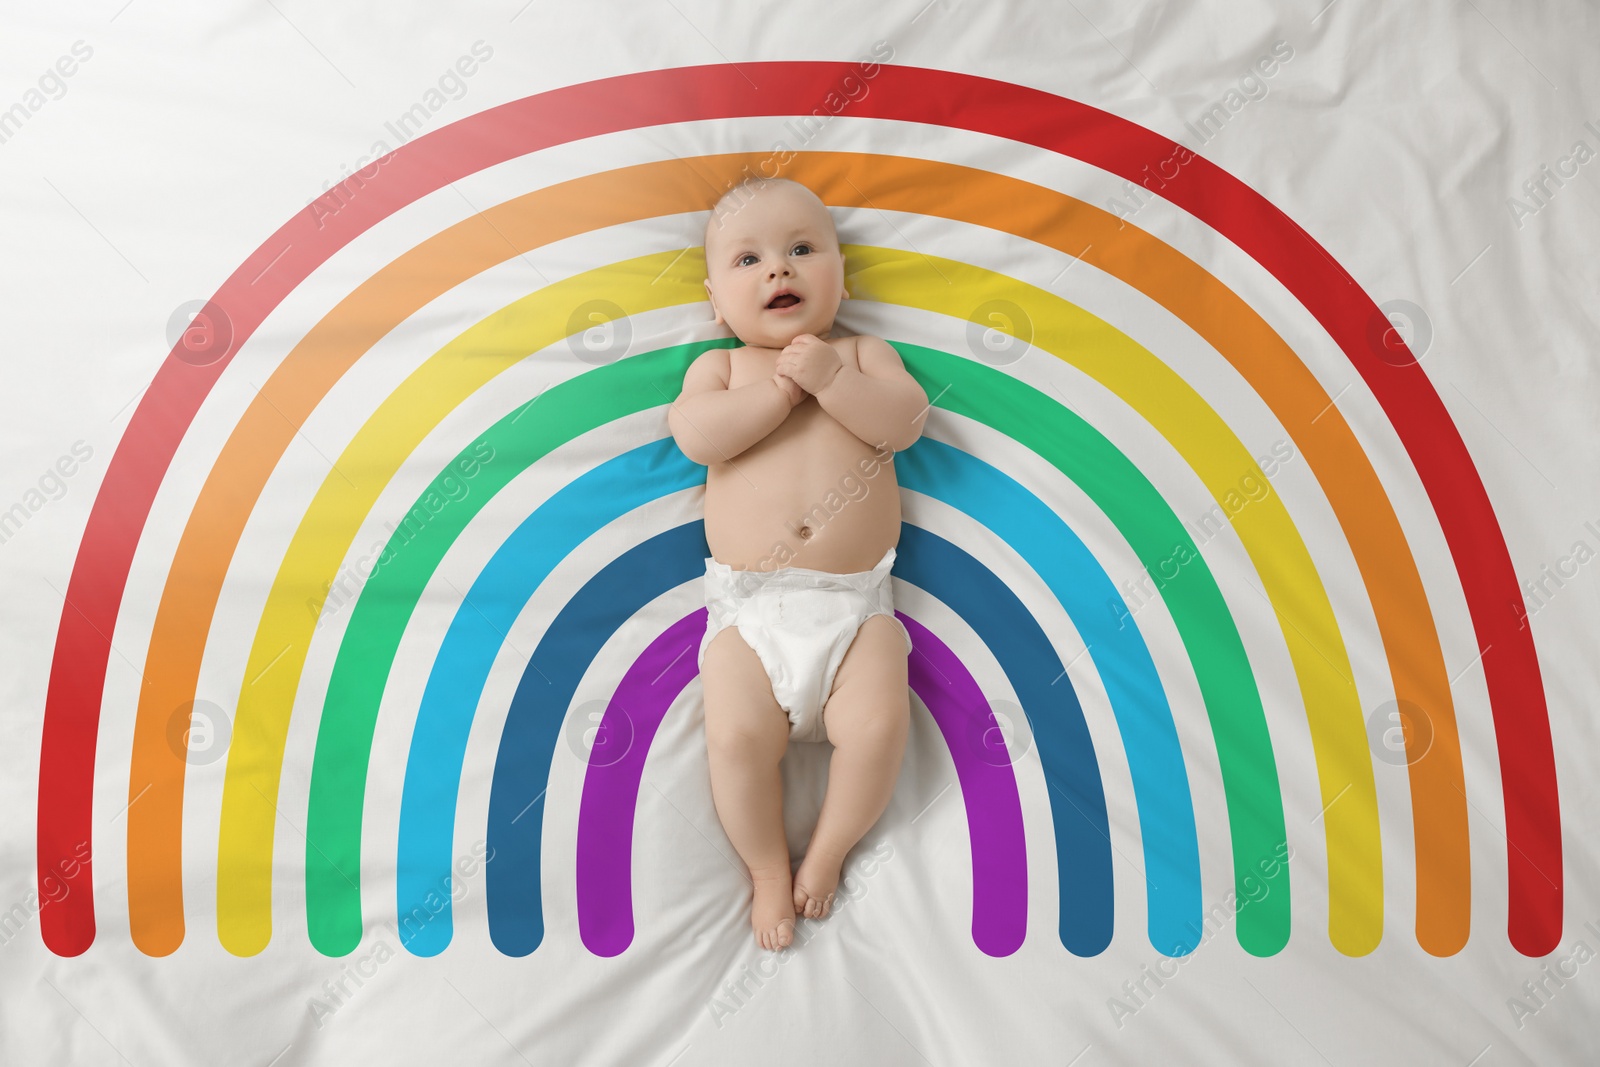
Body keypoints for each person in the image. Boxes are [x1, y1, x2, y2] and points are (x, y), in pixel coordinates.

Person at [667, 177, 929, 951]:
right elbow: (697, 436)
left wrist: (832, 382)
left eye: (802, 251)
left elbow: (906, 422)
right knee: (735, 740)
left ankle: (829, 849)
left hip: (855, 608)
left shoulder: (860, 352)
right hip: (751, 612)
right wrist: (777, 398)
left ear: (841, 278)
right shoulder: (724, 370)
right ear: (716, 301)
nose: (778, 270)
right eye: (748, 260)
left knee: (881, 725)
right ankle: (767, 869)